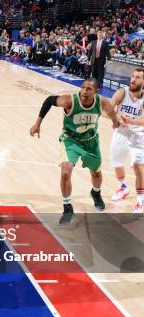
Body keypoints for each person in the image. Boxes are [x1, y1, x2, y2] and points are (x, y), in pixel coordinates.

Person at [30, 78, 119, 226]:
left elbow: (111, 112)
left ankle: (96, 192)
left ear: (96, 91)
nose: (84, 91)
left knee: (96, 173)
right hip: (70, 141)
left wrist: (115, 122)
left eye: (89, 89)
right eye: (83, 87)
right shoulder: (69, 101)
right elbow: (49, 101)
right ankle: (67, 207)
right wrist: (37, 123)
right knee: (66, 171)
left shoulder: (101, 102)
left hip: (91, 142)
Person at [110, 68, 144, 212]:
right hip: (121, 133)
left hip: (138, 135)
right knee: (116, 162)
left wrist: (131, 121)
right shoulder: (122, 92)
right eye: (132, 76)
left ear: (143, 81)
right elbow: (109, 107)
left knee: (138, 167)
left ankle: (140, 201)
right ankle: (123, 188)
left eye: (137, 77)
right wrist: (116, 118)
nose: (133, 79)